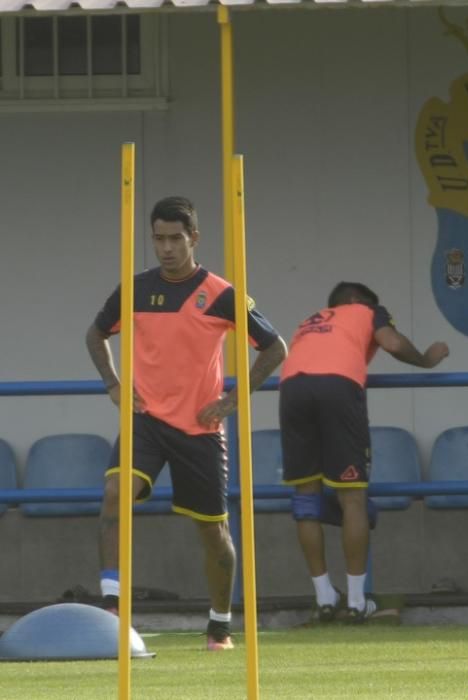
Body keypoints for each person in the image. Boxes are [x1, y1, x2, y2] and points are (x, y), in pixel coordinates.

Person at [85, 196, 287, 651]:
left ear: (194, 238)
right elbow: (95, 333)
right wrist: (114, 385)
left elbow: (275, 347)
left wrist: (234, 399)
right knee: (115, 492)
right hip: (146, 420)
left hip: (199, 429)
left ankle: (219, 624)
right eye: (158, 239)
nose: (167, 248)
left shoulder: (222, 293)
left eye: (176, 238)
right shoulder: (134, 288)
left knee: (213, 533)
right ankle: (112, 603)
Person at [278, 281, 449, 623]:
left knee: (306, 498)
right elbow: (393, 342)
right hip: (338, 386)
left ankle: (325, 597)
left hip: (292, 387)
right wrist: (427, 360)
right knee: (352, 497)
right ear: (358, 302)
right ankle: (356, 602)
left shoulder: (309, 321)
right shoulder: (367, 311)